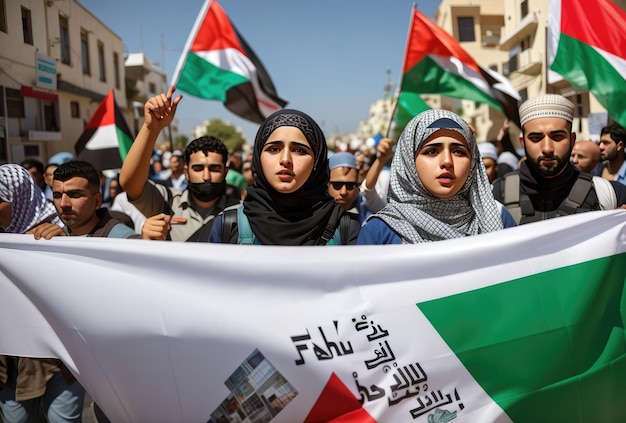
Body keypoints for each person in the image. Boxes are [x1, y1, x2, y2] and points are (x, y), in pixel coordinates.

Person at [0, 164, 83, 423]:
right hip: (10, 365)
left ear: (18, 196)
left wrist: (65, 241)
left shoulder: (60, 234)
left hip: (60, 362)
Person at [357, 109, 515, 245]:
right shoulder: (379, 232)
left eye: (459, 151)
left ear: (473, 161)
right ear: (409, 160)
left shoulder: (498, 218)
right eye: (431, 151)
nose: (447, 161)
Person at [207, 109, 360, 245]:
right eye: (274, 149)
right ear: (258, 158)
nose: (285, 159)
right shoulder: (228, 224)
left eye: (299, 150)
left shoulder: (345, 227)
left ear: (317, 162)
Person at [119, 87, 239, 241]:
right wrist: (151, 128)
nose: (206, 176)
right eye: (198, 168)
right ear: (186, 172)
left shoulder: (240, 212)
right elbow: (130, 183)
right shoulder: (167, 202)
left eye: (214, 168)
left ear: (225, 172)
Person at [492, 94, 626, 224]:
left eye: (557, 137)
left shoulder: (610, 194)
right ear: (523, 142)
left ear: (572, 140)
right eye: (536, 138)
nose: (547, 148)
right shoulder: (495, 196)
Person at [327, 152, 367, 225]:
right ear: (326, 184)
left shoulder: (367, 214)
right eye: (337, 185)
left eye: (350, 185)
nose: (343, 192)